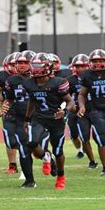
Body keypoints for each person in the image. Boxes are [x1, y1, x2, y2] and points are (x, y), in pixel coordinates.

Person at [23, 53, 76, 190]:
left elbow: (70, 102)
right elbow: (32, 102)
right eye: (33, 66)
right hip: (39, 118)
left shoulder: (58, 82)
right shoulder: (28, 83)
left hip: (55, 120)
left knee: (58, 151)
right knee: (32, 143)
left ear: (48, 67)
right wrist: (27, 119)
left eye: (38, 66)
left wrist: (63, 112)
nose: (35, 69)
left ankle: (60, 176)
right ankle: (46, 156)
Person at [3, 50, 39, 188]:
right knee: (22, 148)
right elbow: (9, 98)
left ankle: (48, 157)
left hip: (38, 118)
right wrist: (3, 108)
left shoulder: (40, 79)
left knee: (37, 148)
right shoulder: (11, 80)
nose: (21, 65)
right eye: (19, 63)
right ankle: (29, 180)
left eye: (25, 63)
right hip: (19, 117)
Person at [66, 54, 98, 168]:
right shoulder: (70, 80)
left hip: (95, 108)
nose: (79, 69)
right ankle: (90, 160)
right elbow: (66, 96)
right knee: (81, 135)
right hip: (78, 110)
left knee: (100, 134)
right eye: (77, 66)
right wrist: (68, 106)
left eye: (82, 66)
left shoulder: (95, 76)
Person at [0, 53, 20, 174]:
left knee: (28, 139)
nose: (16, 67)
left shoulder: (30, 76)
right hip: (9, 110)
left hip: (26, 111)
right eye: (12, 64)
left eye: (18, 64)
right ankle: (12, 164)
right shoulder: (2, 76)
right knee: (9, 140)